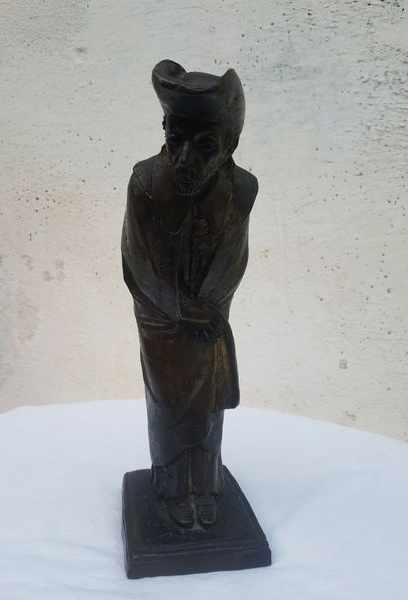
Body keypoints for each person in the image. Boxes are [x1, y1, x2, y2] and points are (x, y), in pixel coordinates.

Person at [121, 60, 258, 528]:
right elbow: (138, 263)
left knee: (210, 407)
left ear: (229, 146)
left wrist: (210, 310)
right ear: (164, 128)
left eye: (205, 146)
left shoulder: (242, 190)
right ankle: (171, 486)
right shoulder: (145, 182)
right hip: (161, 321)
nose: (184, 158)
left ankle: (206, 482)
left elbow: (235, 260)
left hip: (211, 318)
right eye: (175, 138)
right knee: (169, 404)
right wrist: (182, 310)